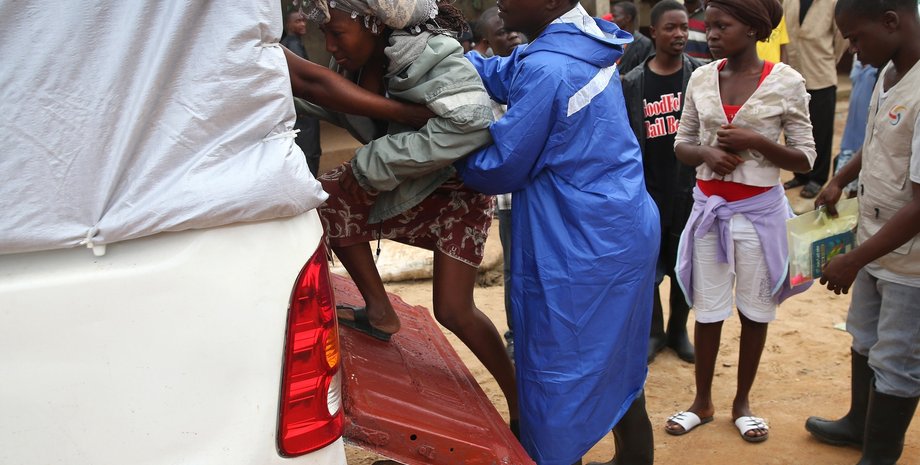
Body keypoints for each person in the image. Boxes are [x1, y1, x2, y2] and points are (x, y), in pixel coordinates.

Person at [294, 0, 519, 430]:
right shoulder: (358, 67)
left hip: (457, 190)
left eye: (337, 34)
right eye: (325, 35)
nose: (330, 45)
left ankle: (518, 398)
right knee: (328, 198)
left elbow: (471, 122)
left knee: (454, 311)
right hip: (413, 183)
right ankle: (379, 311)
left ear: (374, 25)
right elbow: (338, 102)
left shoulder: (432, 54)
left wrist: (370, 166)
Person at [457, 1, 659, 464]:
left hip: (584, 244)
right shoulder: (577, 47)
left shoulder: (550, 67)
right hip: (617, 228)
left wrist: (443, 151)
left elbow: (502, 167)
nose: (502, 3)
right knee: (614, 360)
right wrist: (456, 56)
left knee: (559, 365)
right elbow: (504, 73)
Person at [663, 0, 816, 444]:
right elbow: (682, 144)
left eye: (721, 26)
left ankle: (742, 404)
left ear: (752, 29)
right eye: (707, 26)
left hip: (759, 217)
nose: (709, 34)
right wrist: (706, 153)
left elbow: (806, 156)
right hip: (709, 210)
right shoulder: (701, 78)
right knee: (708, 311)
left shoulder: (787, 82)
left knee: (755, 311)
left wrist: (756, 142)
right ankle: (702, 402)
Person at [804, 1, 920, 463]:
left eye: (855, 38)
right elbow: (874, 144)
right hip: (874, 238)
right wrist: (840, 178)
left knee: (898, 358)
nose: (850, 49)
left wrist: (852, 259)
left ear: (891, 21)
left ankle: (880, 454)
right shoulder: (887, 72)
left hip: (910, 260)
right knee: (865, 337)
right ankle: (858, 422)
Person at [622, 0, 702, 365]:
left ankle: (678, 331)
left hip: (691, 191)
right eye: (671, 27)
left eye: (684, 27)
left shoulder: (701, 77)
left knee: (686, 262)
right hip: (648, 191)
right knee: (649, 266)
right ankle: (655, 332)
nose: (680, 34)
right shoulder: (633, 83)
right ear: (653, 32)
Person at [466, 5, 526, 361]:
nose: (512, 35)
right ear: (486, 43)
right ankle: (517, 335)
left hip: (537, 191)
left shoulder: (530, 67)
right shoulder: (478, 82)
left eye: (513, 30)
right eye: (502, 32)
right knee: (515, 269)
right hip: (508, 196)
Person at [781, 0, 848, 199]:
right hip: (793, 77)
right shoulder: (789, 1)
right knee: (792, 129)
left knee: (821, 131)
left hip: (821, 77)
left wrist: (826, 60)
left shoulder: (832, 3)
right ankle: (800, 174)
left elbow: (841, 40)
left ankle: (817, 179)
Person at [281, 8, 323, 176]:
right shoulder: (292, 46)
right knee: (308, 156)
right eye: (298, 21)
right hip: (302, 114)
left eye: (304, 20)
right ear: (287, 24)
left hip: (297, 112)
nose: (303, 23)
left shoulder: (289, 44)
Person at [833, 58, 879, 198]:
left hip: (866, 140)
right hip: (850, 136)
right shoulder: (858, 59)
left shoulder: (881, 68)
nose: (852, 48)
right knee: (847, 187)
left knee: (861, 188)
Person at [609, 1, 654, 75]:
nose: (612, 19)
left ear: (628, 18)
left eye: (615, 16)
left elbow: (646, 72)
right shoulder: (612, 40)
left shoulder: (644, 43)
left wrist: (625, 78)